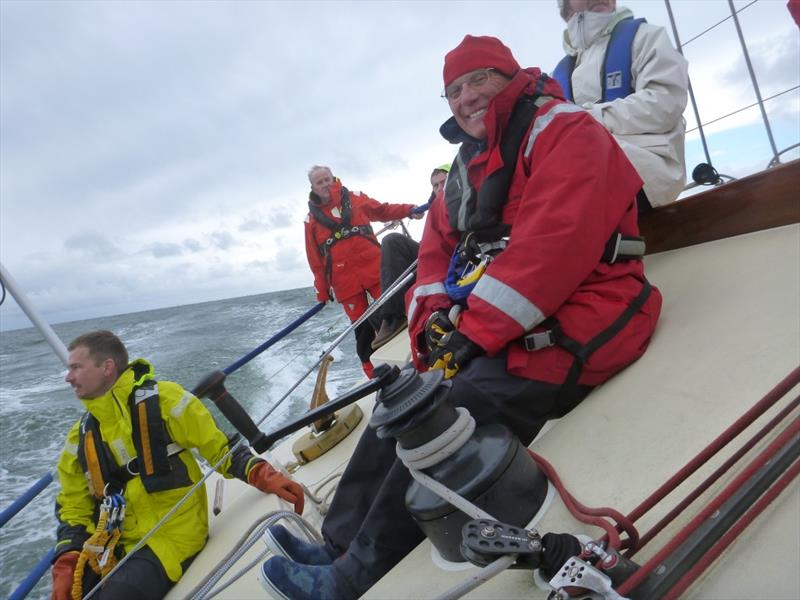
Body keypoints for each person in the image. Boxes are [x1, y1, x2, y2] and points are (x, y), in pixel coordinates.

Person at [259, 35, 661, 600]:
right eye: (453, 90)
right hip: (496, 326)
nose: (466, 97)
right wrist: (430, 327)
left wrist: (470, 334)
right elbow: (431, 257)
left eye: (478, 81)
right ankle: (336, 543)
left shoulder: (568, 132)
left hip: (589, 315)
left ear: (510, 76)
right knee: (399, 403)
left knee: (446, 419)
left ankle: (351, 578)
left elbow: (552, 251)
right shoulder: (464, 168)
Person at [51, 330, 303, 600]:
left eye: (76, 367)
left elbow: (218, 448)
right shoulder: (80, 437)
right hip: (118, 544)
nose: (69, 377)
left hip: (174, 534)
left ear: (107, 368)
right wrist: (67, 559)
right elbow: (73, 506)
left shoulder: (164, 400)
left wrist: (264, 475)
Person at [553, 0, 689, 208]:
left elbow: (664, 103)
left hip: (646, 170)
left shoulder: (645, 37)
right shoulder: (559, 74)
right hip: (582, 174)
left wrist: (585, 120)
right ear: (566, 10)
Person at [304, 165, 419, 376]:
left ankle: (418, 352)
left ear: (333, 178)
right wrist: (322, 291)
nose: (325, 185)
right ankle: (374, 377)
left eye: (327, 179)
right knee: (363, 331)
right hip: (344, 282)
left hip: (374, 268)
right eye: (319, 182)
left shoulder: (356, 198)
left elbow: (382, 211)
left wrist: (410, 210)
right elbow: (315, 260)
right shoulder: (310, 221)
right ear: (312, 187)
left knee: (397, 311)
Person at [371, 164, 452, 350]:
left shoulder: (462, 198)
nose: (439, 188)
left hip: (451, 258)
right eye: (435, 185)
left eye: (443, 182)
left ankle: (394, 316)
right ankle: (391, 320)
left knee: (392, 241)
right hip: (431, 255)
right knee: (372, 315)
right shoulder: (434, 207)